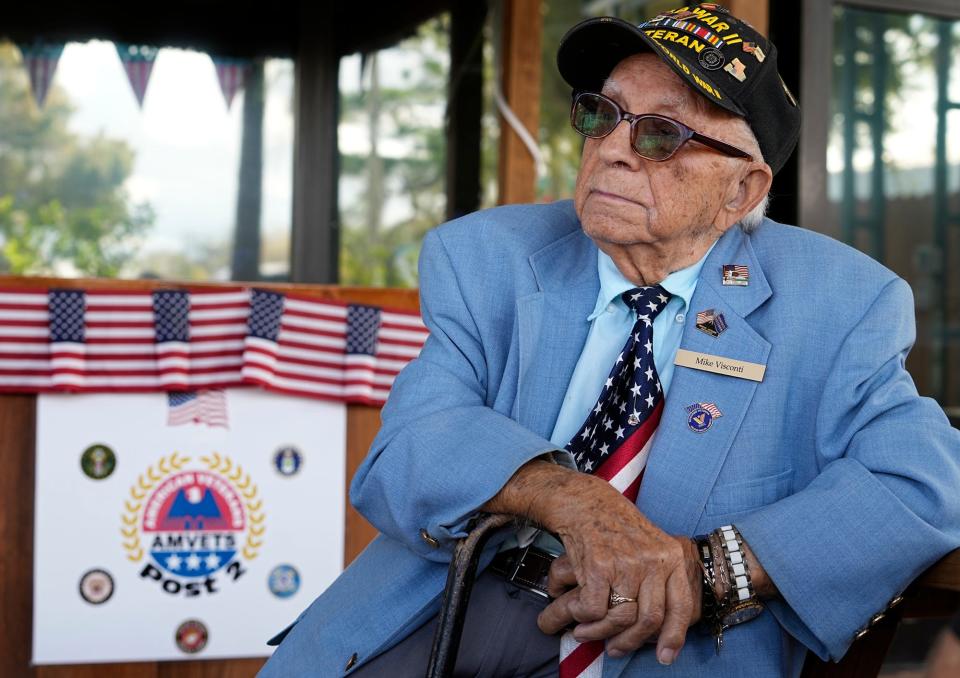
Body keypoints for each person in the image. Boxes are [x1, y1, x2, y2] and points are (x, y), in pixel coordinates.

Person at [260, 4, 960, 677]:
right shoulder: (489, 258)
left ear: (742, 191)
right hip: (451, 600)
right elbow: (410, 447)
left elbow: (927, 484)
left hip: (664, 644)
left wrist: (710, 567)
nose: (614, 152)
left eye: (661, 135)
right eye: (602, 116)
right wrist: (573, 499)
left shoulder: (839, 303)